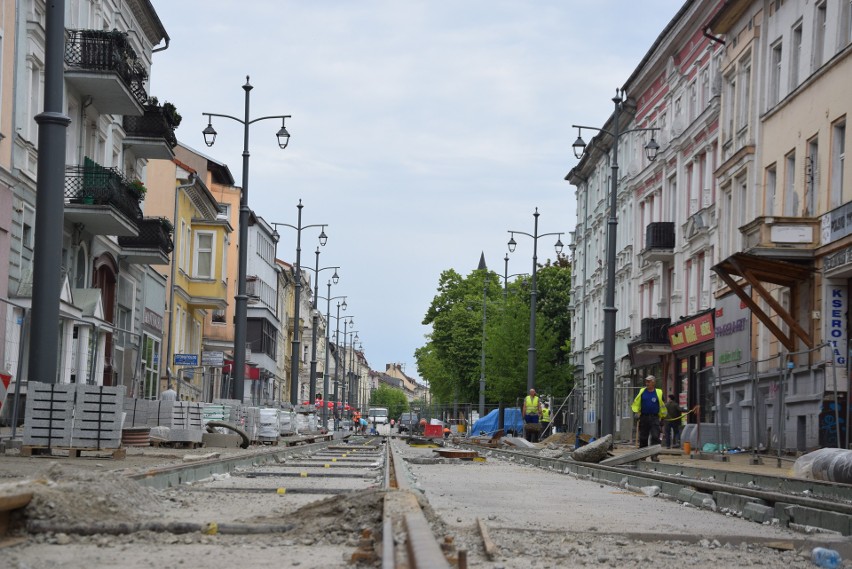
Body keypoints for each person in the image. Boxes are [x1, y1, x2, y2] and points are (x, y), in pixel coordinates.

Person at [631, 375, 667, 461]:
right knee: (643, 437)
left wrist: (662, 418)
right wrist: (636, 412)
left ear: (653, 382)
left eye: (649, 381)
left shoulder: (659, 392)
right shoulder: (642, 391)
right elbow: (637, 403)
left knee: (655, 436)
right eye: (646, 381)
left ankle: (654, 455)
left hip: (655, 417)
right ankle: (643, 455)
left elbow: (662, 405)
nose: (647, 383)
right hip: (644, 417)